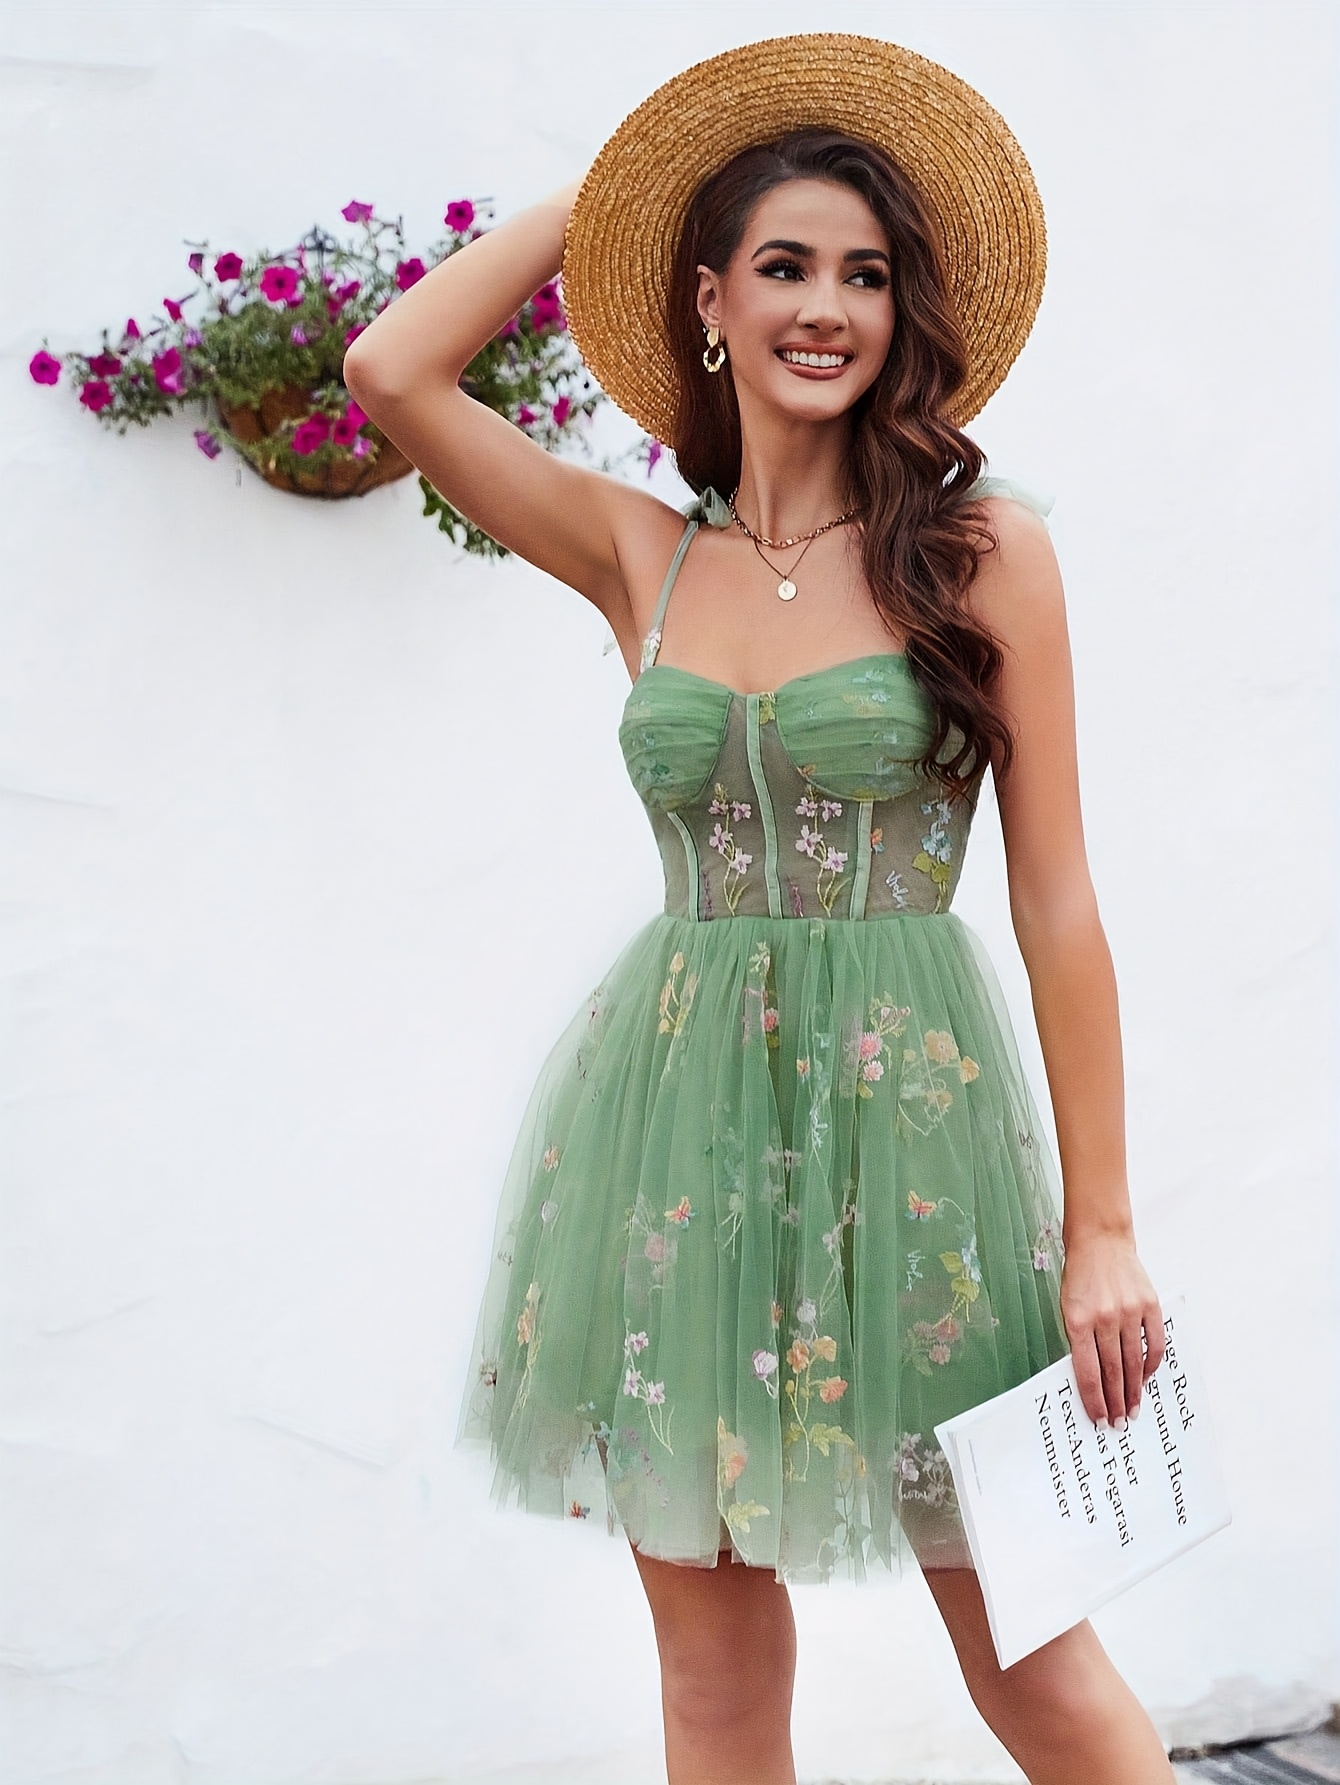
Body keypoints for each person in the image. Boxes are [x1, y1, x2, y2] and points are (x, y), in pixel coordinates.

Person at [344, 32, 1176, 1785]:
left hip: (923, 1133)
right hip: (679, 1149)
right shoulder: (640, 554)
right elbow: (392, 370)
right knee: (716, 1685)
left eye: (863, 274)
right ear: (708, 299)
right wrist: (625, 175)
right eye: (782, 266)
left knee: (1032, 1655)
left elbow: (1060, 896)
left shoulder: (979, 549)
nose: (828, 306)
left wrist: (1101, 1225)